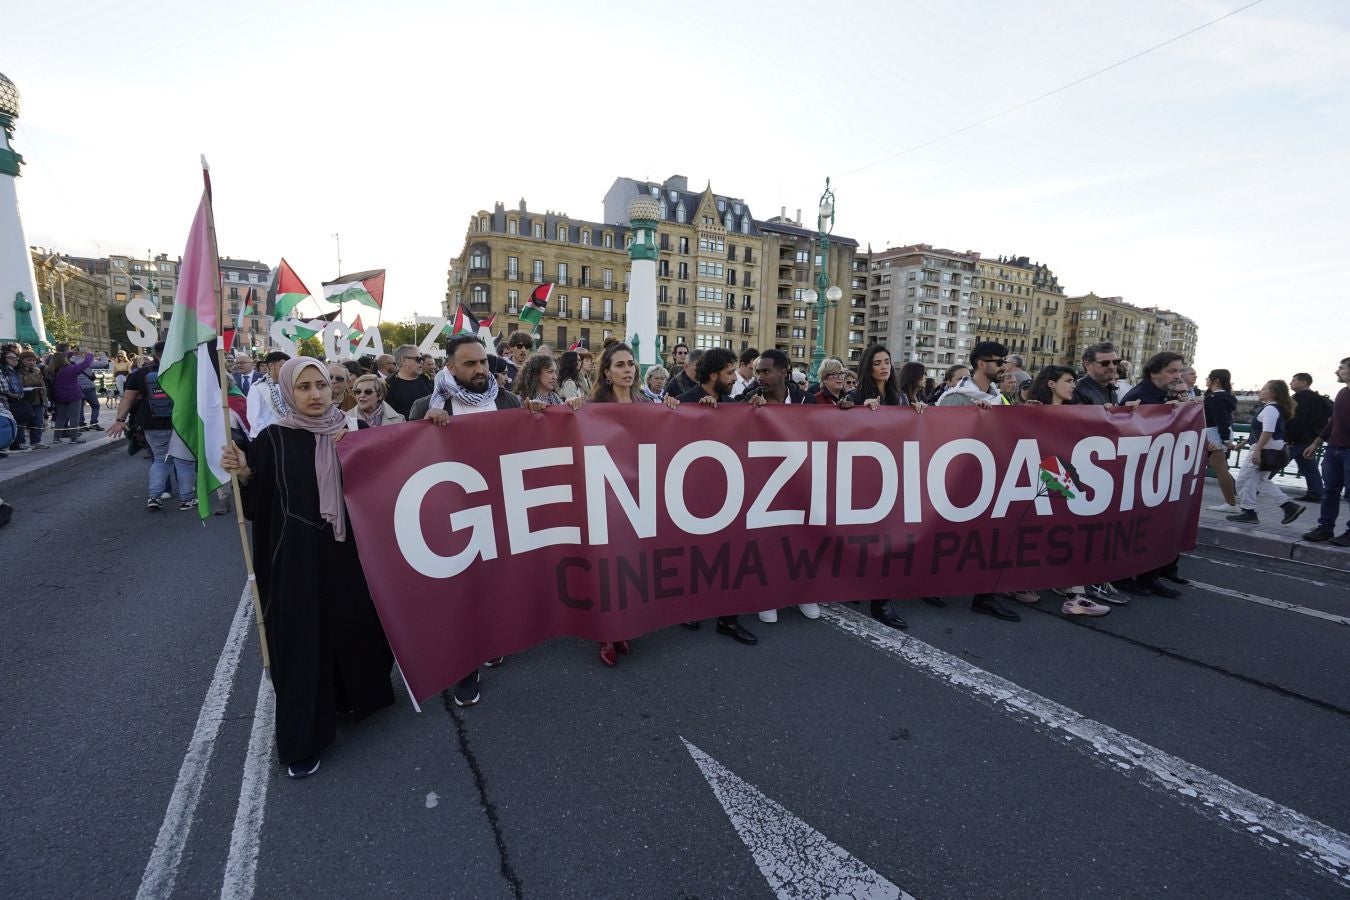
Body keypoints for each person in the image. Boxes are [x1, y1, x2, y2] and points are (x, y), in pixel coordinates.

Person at [220, 357, 395, 779]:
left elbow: (387, 484)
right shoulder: (273, 439)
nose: (316, 394)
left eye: (322, 385)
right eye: (304, 388)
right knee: (302, 638)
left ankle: (353, 696)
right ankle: (304, 736)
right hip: (295, 556)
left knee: (351, 624)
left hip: (348, 554)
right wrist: (244, 473)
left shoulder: (354, 432)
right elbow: (259, 503)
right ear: (287, 392)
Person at [413, 335, 523, 702]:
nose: (480, 370)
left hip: (500, 512)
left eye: (483, 363)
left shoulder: (509, 402)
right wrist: (425, 431)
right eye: (470, 364)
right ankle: (464, 668)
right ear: (449, 368)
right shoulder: (424, 406)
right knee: (460, 594)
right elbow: (406, 467)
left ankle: (491, 641)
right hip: (451, 518)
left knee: (494, 585)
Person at [937, 342, 1026, 622]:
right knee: (949, 536)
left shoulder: (999, 397)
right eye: (998, 361)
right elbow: (939, 438)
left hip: (991, 477)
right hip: (959, 480)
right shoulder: (957, 397)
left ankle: (985, 595)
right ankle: (933, 584)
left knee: (991, 535)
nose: (1003, 366)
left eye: (1004, 361)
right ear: (980, 364)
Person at [1025, 366, 1113, 616]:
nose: (1074, 385)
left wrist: (1110, 415)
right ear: (1051, 384)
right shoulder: (1032, 409)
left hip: (1059, 475)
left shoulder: (1075, 413)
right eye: (1068, 380)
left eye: (1074, 380)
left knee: (1072, 530)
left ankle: (1076, 593)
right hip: (1041, 477)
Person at [850, 344, 928, 627]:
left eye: (887, 361)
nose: (884, 366)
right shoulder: (855, 395)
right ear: (867, 367)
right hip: (863, 477)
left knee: (888, 537)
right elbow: (841, 425)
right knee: (865, 537)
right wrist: (861, 410)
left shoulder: (901, 396)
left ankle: (881, 601)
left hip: (894, 475)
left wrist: (916, 410)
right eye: (877, 362)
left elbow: (909, 430)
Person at [747, 350, 819, 626]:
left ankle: (804, 592)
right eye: (756, 372)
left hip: (801, 478)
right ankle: (769, 595)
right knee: (769, 539)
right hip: (764, 481)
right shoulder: (749, 401)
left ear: (783, 372)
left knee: (803, 537)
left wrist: (846, 409)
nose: (759, 377)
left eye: (765, 371)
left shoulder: (807, 400)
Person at [1114, 352, 1191, 597]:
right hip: (1135, 476)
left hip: (1152, 473)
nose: (1177, 376)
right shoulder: (1140, 396)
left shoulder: (1162, 396)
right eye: (1172, 371)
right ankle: (1125, 576)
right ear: (1153, 372)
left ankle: (1149, 576)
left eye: (1179, 371)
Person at [106, 341, 199, 511]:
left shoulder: (141, 373)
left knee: (160, 460)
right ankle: (187, 499)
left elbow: (127, 398)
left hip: (152, 423)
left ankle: (154, 497)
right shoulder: (186, 371)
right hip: (181, 423)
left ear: (156, 353)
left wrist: (120, 420)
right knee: (185, 462)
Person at [1226, 380, 1304, 527]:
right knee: (1261, 481)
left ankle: (1248, 512)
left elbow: (1268, 431)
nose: (1260, 391)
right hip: (1272, 449)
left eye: (1264, 389)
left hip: (1265, 450)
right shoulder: (1274, 408)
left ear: (1273, 393)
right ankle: (1289, 506)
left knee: (1244, 480)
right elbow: (1260, 431)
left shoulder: (1270, 409)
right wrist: (1244, 444)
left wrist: (1257, 451)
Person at [1301, 357, 1350, 546]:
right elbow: (1333, 422)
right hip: (1333, 449)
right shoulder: (1342, 393)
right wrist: (1316, 442)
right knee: (1330, 490)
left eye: (1341, 368)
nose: (1337, 371)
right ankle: (1325, 528)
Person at [1287, 372, 1333, 504]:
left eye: (1294, 380)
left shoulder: (1302, 397)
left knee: (1277, 461)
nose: (1291, 383)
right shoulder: (1316, 397)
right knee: (1309, 466)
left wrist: (1289, 437)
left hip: (1300, 438)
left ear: (1303, 382)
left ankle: (1255, 487)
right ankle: (1315, 493)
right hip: (1312, 437)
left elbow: (1298, 420)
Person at [1203, 369, 1240, 513]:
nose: (1206, 380)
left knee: (1221, 469)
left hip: (1213, 434)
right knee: (1220, 468)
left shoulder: (1215, 398)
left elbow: (1220, 419)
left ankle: (1231, 503)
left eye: (1209, 377)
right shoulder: (1224, 397)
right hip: (1218, 434)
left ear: (1216, 380)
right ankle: (1231, 501)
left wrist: (1225, 439)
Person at [50, 349, 93, 444]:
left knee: (60, 417)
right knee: (74, 417)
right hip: (73, 395)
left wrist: (71, 352)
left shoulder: (52, 369)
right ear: (64, 359)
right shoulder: (70, 369)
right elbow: (85, 364)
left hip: (59, 396)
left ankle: (56, 438)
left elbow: (59, 358)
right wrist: (89, 354)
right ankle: (74, 438)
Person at [247, 351, 292, 439]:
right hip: (266, 438)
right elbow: (254, 418)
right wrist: (270, 437)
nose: (286, 370)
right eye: (282, 366)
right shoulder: (257, 388)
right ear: (271, 366)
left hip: (286, 436)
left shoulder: (289, 386)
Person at [515, 354, 584, 409]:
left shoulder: (557, 399)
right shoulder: (520, 401)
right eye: (550, 372)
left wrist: (570, 406)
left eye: (555, 372)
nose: (555, 377)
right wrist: (527, 409)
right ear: (536, 374)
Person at [384, 344, 432, 419]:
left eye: (422, 358)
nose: (422, 362)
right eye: (418, 359)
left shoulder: (426, 379)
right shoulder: (388, 385)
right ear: (404, 361)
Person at [0, 348, 33, 452]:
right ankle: (15, 444)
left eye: (16, 358)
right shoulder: (4, 370)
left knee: (22, 418)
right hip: (9, 399)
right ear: (4, 359)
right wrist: (12, 395)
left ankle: (17, 443)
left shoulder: (13, 370)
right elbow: (5, 388)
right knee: (17, 419)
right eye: (11, 358)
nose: (14, 360)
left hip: (15, 397)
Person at [1073, 342, 1121, 407]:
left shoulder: (1111, 390)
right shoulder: (1078, 391)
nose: (1112, 367)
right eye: (1105, 363)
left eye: (1115, 362)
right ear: (1087, 365)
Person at [17, 351, 48, 449]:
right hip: (25, 400)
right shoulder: (18, 371)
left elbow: (42, 385)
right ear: (22, 361)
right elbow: (22, 384)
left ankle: (36, 441)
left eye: (34, 360)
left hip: (38, 399)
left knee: (38, 421)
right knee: (22, 422)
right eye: (28, 360)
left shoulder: (37, 370)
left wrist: (46, 399)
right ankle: (20, 443)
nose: (32, 362)